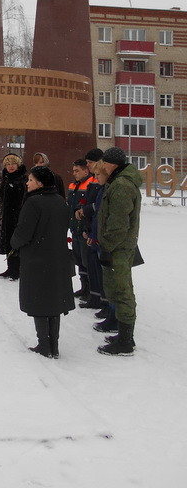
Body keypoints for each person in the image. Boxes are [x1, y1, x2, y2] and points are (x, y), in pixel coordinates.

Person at [10, 166, 75, 358]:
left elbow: (23, 233)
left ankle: (43, 345)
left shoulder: (33, 203)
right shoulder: (60, 202)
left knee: (39, 302)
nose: (27, 183)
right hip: (57, 259)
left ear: (40, 183)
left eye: (30, 180)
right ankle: (53, 345)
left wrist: (14, 243)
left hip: (37, 260)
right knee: (54, 301)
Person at [95, 147, 142, 356]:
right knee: (117, 289)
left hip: (119, 248)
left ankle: (125, 342)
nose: (102, 166)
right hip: (118, 247)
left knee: (122, 292)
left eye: (104, 162)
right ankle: (123, 335)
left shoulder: (121, 185)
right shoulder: (118, 182)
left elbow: (118, 225)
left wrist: (107, 247)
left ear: (112, 164)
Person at [0, 153, 27, 279]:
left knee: (17, 243)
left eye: (13, 163)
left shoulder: (23, 178)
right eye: (8, 164)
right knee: (7, 242)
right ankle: (10, 268)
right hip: (5, 216)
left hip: (18, 215)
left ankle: (18, 269)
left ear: (18, 164)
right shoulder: (4, 177)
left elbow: (26, 197)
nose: (10, 166)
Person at [77, 148, 105, 309]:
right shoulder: (94, 180)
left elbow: (99, 205)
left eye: (90, 162)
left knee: (98, 268)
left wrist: (86, 210)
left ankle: (102, 301)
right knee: (90, 264)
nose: (88, 166)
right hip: (90, 228)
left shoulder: (102, 181)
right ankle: (94, 297)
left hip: (98, 231)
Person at [66, 159, 96, 300]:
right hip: (75, 229)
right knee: (79, 260)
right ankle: (84, 287)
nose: (74, 173)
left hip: (84, 229)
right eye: (73, 170)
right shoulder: (73, 185)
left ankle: (91, 289)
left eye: (77, 170)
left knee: (87, 261)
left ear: (86, 170)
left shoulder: (91, 184)